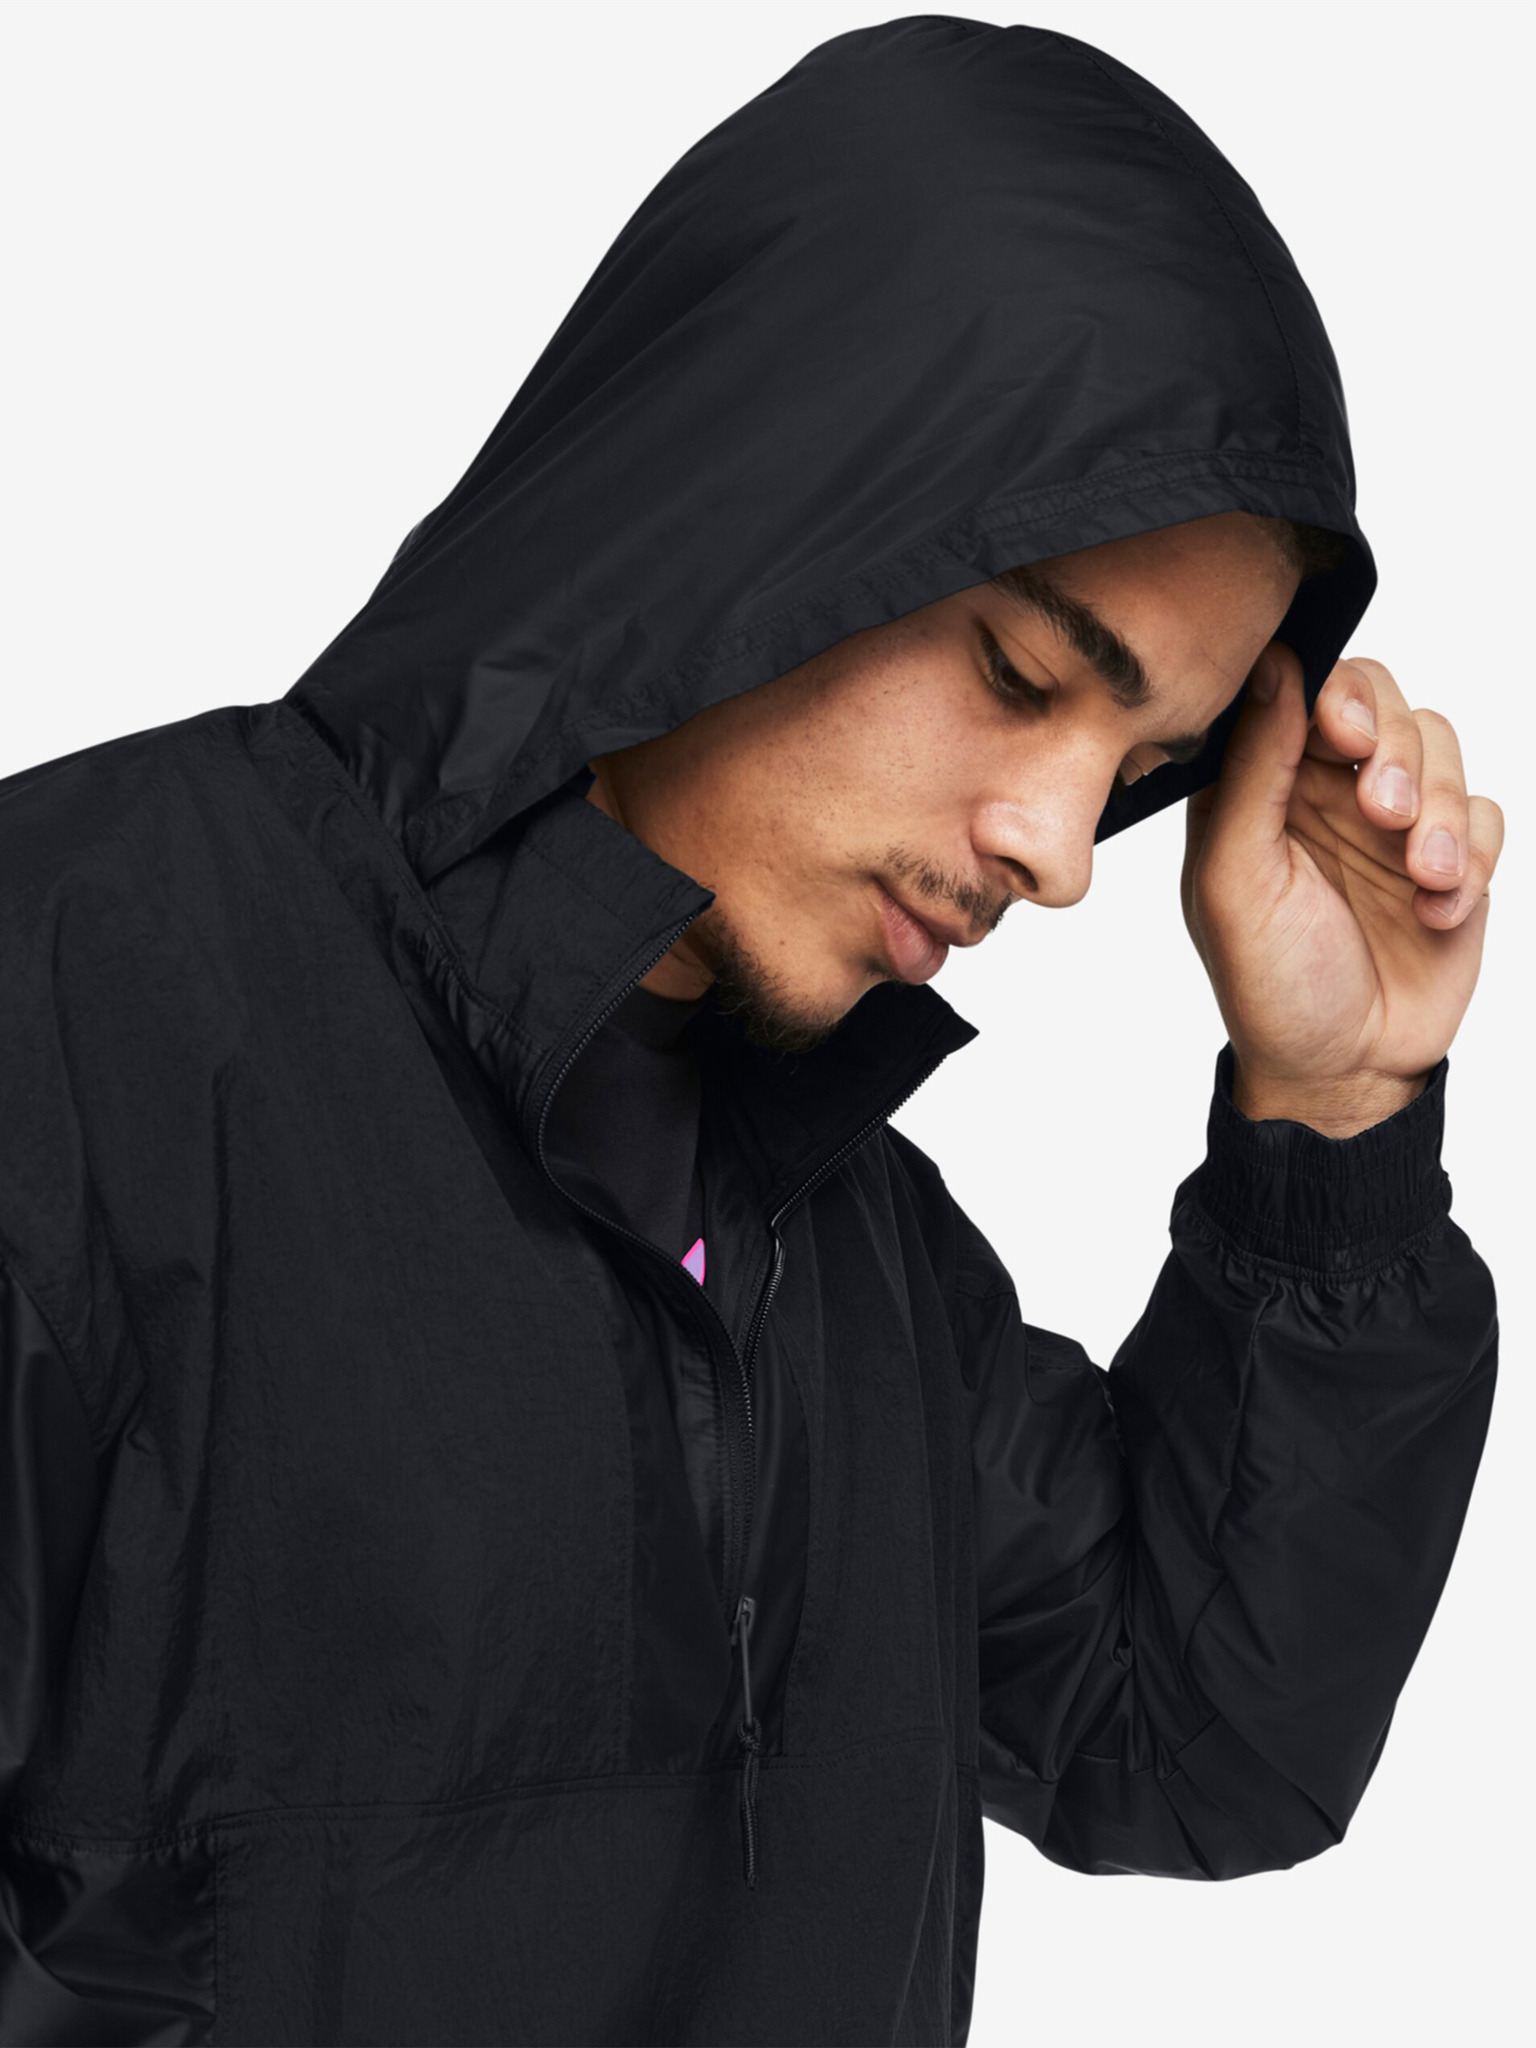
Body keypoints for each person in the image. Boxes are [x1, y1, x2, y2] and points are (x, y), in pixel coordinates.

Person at [0, 15, 1502, 2048]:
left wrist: (1336, 1112)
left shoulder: (841, 1234)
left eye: (1144, 763)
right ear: (755, 502)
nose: (1063, 850)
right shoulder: (67, 1026)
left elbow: (1188, 1734)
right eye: (1019, 672)